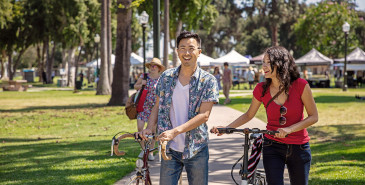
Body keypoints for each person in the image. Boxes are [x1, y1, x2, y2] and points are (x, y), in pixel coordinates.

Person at [212, 46, 318, 185]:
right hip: (272, 146)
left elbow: (313, 116)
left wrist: (289, 130)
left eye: (268, 62)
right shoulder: (261, 89)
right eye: (263, 62)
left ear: (281, 63)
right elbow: (249, 115)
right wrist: (227, 128)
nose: (264, 66)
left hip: (299, 147)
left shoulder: (300, 85)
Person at [138, 31, 219, 185]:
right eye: (182, 48)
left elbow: (204, 115)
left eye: (191, 48)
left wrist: (174, 132)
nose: (186, 52)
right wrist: (150, 127)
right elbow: (157, 105)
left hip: (196, 148)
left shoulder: (208, 81)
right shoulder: (166, 77)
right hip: (169, 149)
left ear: (199, 52)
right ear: (177, 51)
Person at [134, 58, 165, 161]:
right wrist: (141, 84)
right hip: (143, 106)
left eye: (155, 65)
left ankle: (150, 151)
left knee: (152, 130)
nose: (152, 67)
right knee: (140, 128)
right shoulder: (144, 76)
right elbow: (135, 86)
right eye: (151, 65)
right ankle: (143, 149)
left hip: (155, 107)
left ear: (159, 68)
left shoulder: (161, 78)